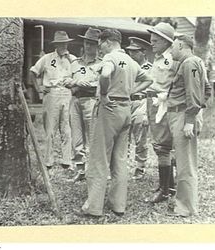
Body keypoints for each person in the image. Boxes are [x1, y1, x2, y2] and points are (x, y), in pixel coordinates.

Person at [79, 29, 153, 217]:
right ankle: (118, 205)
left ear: (107, 42)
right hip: (125, 109)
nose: (99, 49)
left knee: (99, 159)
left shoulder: (110, 58)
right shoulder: (130, 60)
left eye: (100, 44)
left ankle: (94, 207)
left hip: (109, 109)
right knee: (120, 160)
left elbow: (105, 75)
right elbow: (148, 79)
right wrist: (130, 91)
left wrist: (104, 94)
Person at [167, 34, 211, 217]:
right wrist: (198, 110)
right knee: (184, 160)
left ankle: (185, 208)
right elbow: (206, 90)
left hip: (182, 115)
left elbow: (193, 93)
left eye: (174, 47)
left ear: (183, 46)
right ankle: (184, 203)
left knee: (185, 163)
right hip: (183, 114)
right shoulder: (196, 62)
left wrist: (190, 120)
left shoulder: (189, 64)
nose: (171, 51)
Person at [30, 31, 76, 170]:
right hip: (52, 94)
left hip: (67, 94)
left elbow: (80, 75)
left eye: (65, 43)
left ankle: (66, 160)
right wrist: (39, 88)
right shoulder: (47, 58)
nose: (63, 45)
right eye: (60, 43)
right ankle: (48, 160)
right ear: (55, 44)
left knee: (67, 128)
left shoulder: (73, 59)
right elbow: (33, 72)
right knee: (50, 129)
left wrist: (73, 89)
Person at [146, 22, 178, 203]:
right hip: (153, 102)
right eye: (151, 38)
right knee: (158, 144)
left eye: (156, 39)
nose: (152, 41)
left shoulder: (171, 58)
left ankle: (165, 191)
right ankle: (168, 185)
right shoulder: (158, 58)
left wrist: (166, 96)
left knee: (163, 146)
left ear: (166, 41)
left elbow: (176, 83)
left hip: (163, 104)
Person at [68, 27, 102, 182]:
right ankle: (80, 170)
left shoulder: (101, 64)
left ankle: (94, 170)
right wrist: (77, 81)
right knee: (77, 136)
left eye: (92, 44)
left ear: (98, 46)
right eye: (86, 43)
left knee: (93, 136)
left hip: (91, 101)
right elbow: (65, 80)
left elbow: (104, 83)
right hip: (75, 100)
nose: (88, 46)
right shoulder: (75, 63)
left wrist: (90, 84)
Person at [126, 37, 152, 180]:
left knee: (140, 136)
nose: (132, 55)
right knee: (123, 136)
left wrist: (148, 112)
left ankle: (140, 167)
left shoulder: (150, 68)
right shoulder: (128, 67)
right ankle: (121, 165)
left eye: (135, 52)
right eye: (130, 52)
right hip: (127, 103)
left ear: (143, 52)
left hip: (142, 102)